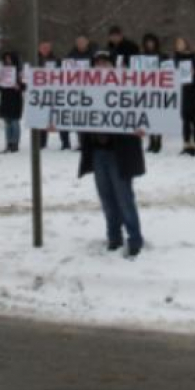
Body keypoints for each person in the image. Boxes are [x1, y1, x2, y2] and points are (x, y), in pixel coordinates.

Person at [78, 51, 146, 257]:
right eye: (97, 63)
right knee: (107, 199)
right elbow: (73, 111)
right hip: (98, 152)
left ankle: (134, 239)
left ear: (112, 66)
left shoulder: (126, 86)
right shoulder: (85, 90)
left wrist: (140, 127)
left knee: (124, 198)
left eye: (104, 63)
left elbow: (144, 109)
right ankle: (114, 237)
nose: (101, 67)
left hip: (120, 153)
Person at [173, 37, 195, 156]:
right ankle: (186, 144)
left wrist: (194, 75)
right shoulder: (176, 59)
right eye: (177, 44)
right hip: (182, 93)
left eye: (181, 43)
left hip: (194, 92)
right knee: (185, 120)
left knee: (194, 119)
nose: (179, 46)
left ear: (186, 44)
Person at [37, 40, 71, 150]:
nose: (45, 50)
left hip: (56, 92)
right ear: (39, 48)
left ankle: (65, 142)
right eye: (43, 47)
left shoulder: (57, 60)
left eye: (47, 47)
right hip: (41, 92)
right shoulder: (35, 60)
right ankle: (41, 142)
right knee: (42, 117)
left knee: (60, 117)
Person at [141, 32, 166, 154]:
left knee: (159, 117)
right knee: (148, 117)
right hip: (146, 90)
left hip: (159, 89)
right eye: (147, 42)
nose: (150, 44)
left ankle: (158, 141)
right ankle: (151, 141)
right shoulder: (141, 57)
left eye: (152, 42)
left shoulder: (162, 56)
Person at [0, 51, 25, 153]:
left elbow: (25, 85)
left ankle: (15, 143)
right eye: (6, 59)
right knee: (7, 122)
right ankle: (8, 143)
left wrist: (19, 87)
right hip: (5, 99)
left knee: (14, 121)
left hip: (16, 99)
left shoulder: (20, 71)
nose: (8, 61)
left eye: (9, 59)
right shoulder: (1, 70)